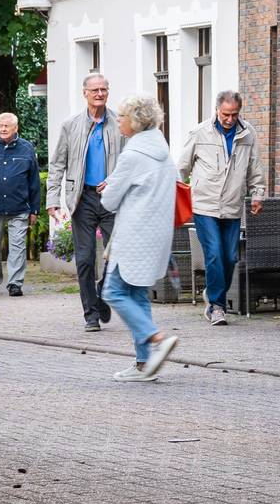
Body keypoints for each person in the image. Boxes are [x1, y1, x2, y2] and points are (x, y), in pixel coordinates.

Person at [97, 95, 182, 381]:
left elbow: (108, 201)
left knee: (113, 292)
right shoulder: (163, 152)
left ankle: (155, 338)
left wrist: (109, 186)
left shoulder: (132, 155)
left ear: (134, 121)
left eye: (121, 116)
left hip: (132, 236)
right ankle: (144, 365)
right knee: (136, 293)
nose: (118, 120)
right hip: (157, 236)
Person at [174, 90, 266, 326]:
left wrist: (257, 194)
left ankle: (213, 293)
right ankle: (217, 306)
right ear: (217, 110)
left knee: (230, 257)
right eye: (225, 114)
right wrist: (172, 192)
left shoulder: (248, 134)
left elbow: (254, 167)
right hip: (204, 205)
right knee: (214, 254)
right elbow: (182, 167)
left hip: (233, 205)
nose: (229, 119)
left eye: (234, 114)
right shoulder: (200, 132)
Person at [50, 73, 118, 333]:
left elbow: (129, 160)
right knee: (85, 259)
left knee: (118, 256)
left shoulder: (119, 124)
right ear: (85, 93)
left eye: (103, 89)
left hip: (112, 199)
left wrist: (114, 180)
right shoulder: (71, 126)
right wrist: (53, 200)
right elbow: (57, 164)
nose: (99, 94)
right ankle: (91, 314)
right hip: (83, 197)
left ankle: (102, 291)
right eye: (95, 90)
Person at [0, 113, 41, 300]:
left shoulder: (27, 148)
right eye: (0, 125)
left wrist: (34, 209)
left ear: (16, 128)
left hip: (20, 207)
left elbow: (34, 182)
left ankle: (15, 283)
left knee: (17, 247)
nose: (3, 129)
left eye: (7, 126)